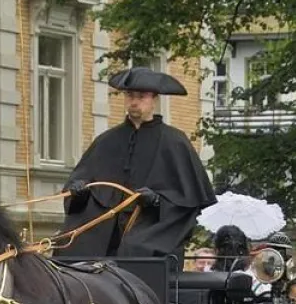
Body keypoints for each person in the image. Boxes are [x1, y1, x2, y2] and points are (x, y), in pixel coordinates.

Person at [60, 67, 216, 258]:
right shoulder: (106, 141)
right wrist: (78, 192)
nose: (134, 102)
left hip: (150, 230)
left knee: (136, 249)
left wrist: (158, 201)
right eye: (129, 95)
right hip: (103, 229)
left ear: (154, 100)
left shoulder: (174, 142)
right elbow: (80, 183)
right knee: (68, 244)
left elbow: (188, 202)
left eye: (141, 96)